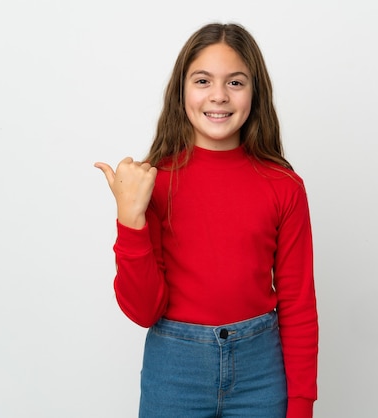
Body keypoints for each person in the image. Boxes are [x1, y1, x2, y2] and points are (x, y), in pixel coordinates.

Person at [95, 22, 318, 418]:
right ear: (181, 90)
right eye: (203, 80)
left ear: (255, 93)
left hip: (261, 371)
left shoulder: (284, 186)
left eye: (235, 82)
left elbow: (299, 305)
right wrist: (130, 220)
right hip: (175, 370)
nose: (218, 95)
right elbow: (143, 310)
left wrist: (301, 404)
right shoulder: (153, 182)